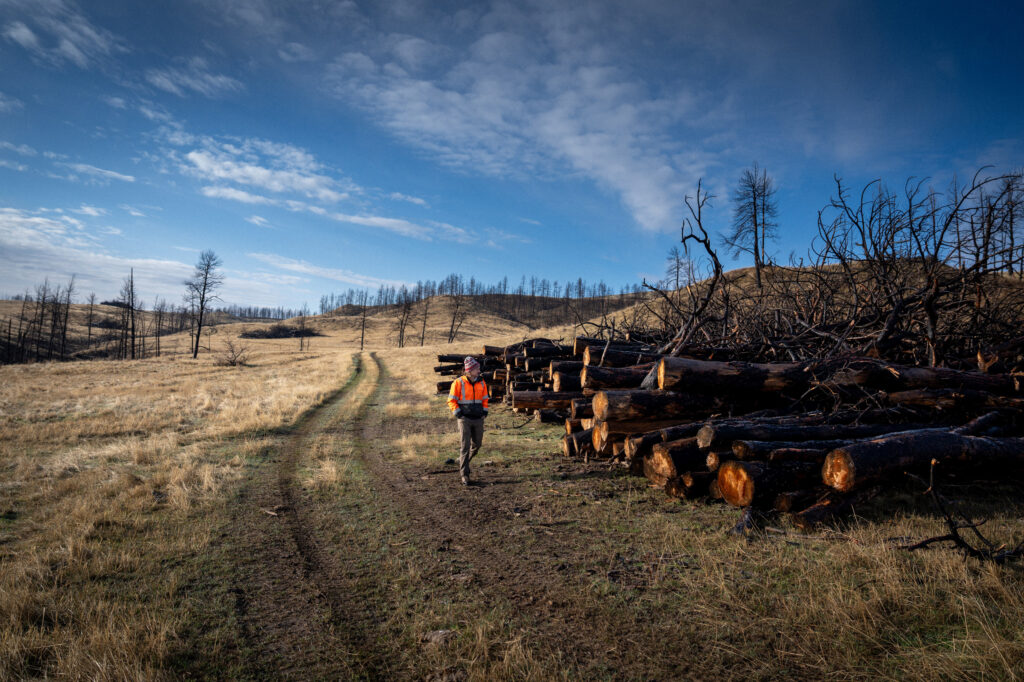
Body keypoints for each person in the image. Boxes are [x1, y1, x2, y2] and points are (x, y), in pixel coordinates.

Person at [447, 356, 489, 485]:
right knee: (465, 447)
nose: (479, 370)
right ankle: (464, 475)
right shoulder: (458, 383)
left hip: (478, 419)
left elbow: (485, 399)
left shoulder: (482, 382)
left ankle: (462, 461)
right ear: (469, 371)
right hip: (464, 419)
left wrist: (485, 412)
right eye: (476, 368)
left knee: (477, 445)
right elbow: (451, 400)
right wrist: (458, 413)